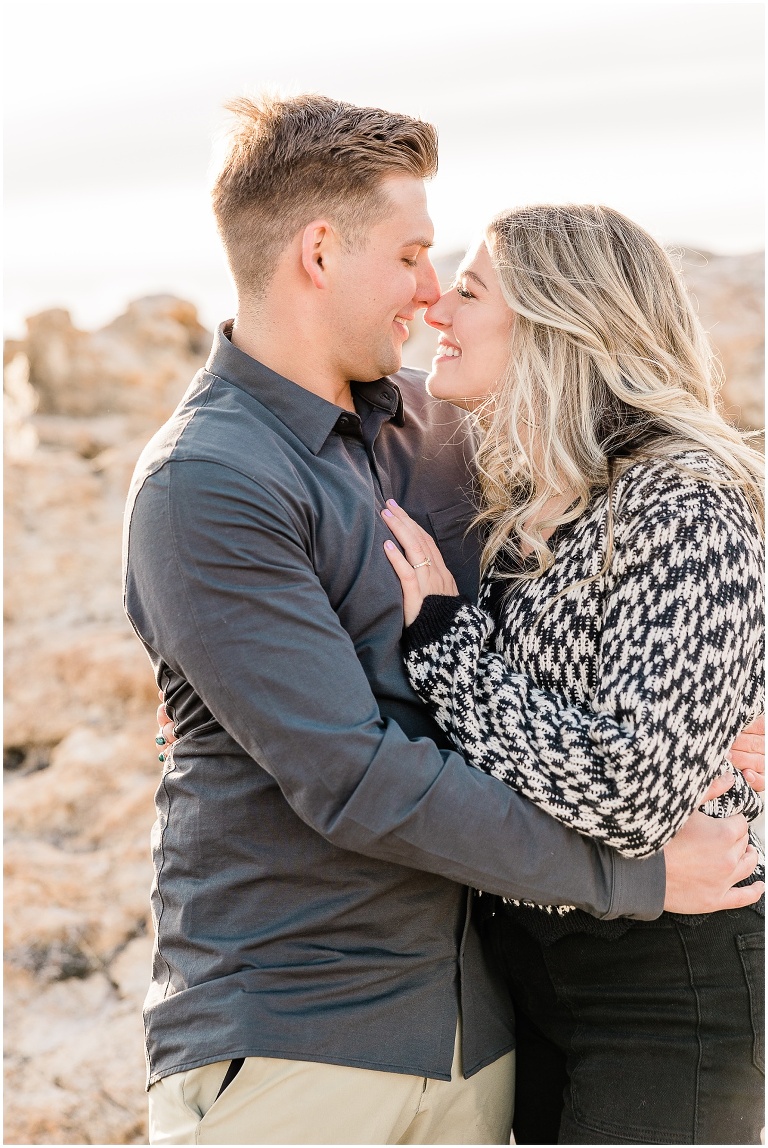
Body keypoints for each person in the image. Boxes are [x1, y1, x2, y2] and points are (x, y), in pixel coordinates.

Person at [124, 95, 763, 1146]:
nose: (431, 297)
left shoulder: (445, 430)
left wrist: (726, 702)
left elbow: (669, 573)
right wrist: (638, 874)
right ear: (319, 252)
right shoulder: (207, 479)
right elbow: (352, 776)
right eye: (415, 256)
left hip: (487, 1030)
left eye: (453, 276)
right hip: (299, 1035)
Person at [381, 204, 765, 1144]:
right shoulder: (524, 497)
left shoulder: (680, 499)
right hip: (530, 972)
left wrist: (446, 647)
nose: (437, 311)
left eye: (469, 292)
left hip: (663, 983)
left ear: (560, 322)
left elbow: (629, 792)